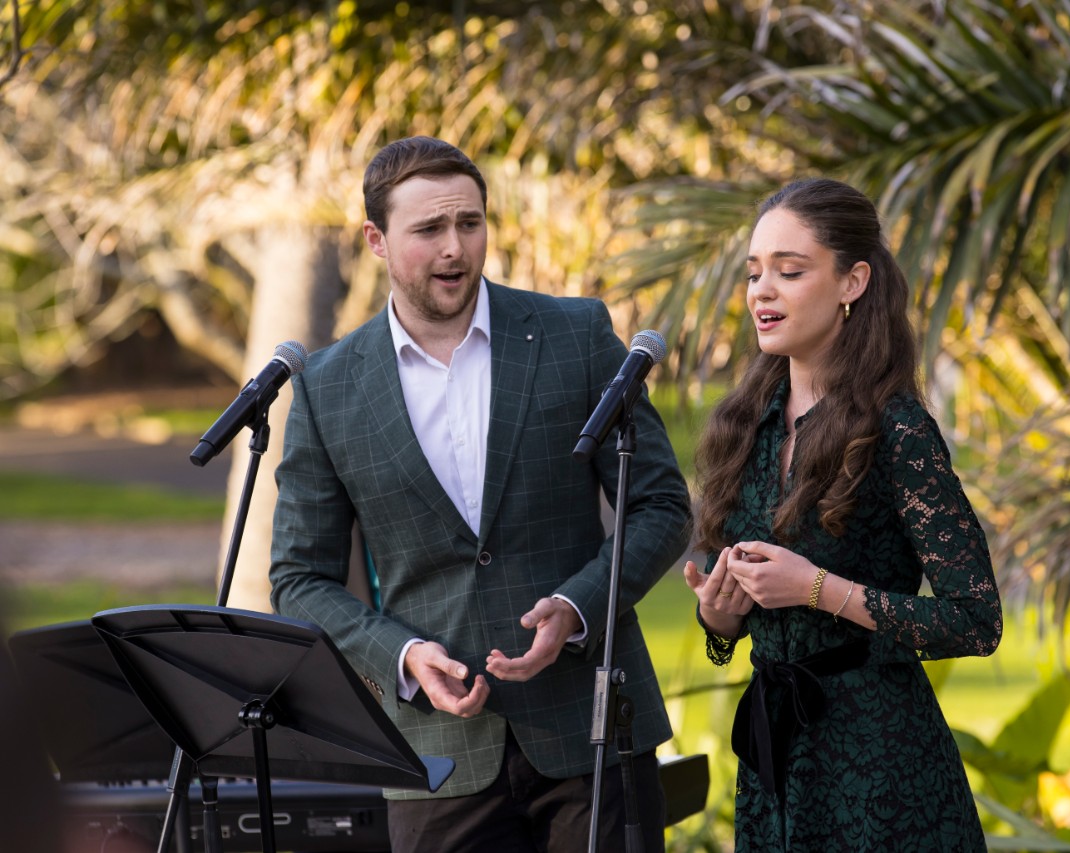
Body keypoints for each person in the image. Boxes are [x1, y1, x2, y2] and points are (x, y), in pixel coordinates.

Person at [269, 135, 692, 853]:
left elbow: (662, 506)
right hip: (438, 757)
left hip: (590, 733)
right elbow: (298, 577)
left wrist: (576, 607)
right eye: (428, 229)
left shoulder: (576, 334)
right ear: (375, 239)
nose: (454, 248)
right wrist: (400, 655)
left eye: (469, 222)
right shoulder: (326, 386)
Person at [683, 177, 1002, 851]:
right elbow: (735, 615)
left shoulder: (898, 429)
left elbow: (975, 619)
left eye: (789, 271)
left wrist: (817, 590)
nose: (762, 291)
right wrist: (722, 611)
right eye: (754, 273)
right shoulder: (750, 426)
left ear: (852, 281)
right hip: (776, 760)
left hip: (880, 766)